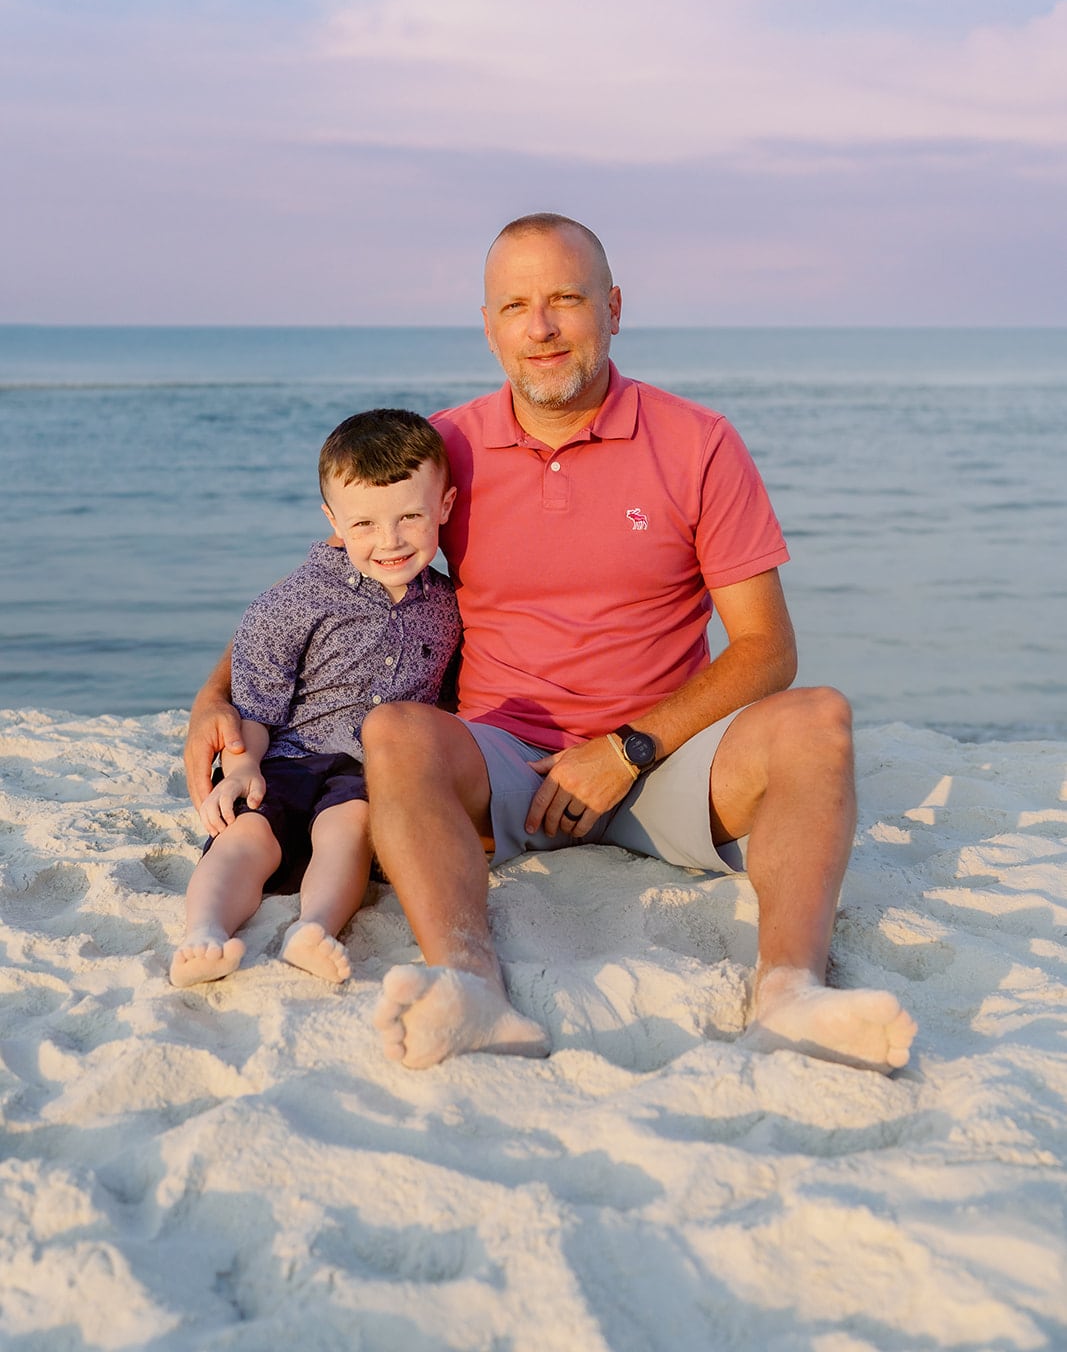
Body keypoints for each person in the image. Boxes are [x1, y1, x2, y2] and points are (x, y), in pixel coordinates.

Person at [185, 216, 916, 1075]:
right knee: (394, 732)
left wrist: (626, 747)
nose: (541, 328)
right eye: (516, 305)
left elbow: (766, 649)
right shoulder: (442, 447)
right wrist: (212, 701)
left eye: (565, 300)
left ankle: (792, 992)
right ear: (488, 324)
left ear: (610, 308)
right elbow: (324, 585)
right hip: (500, 761)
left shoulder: (698, 442)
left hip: (664, 757)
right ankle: (471, 989)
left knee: (817, 717)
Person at [171, 408, 461, 990]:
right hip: (287, 758)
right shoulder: (295, 601)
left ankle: (315, 928)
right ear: (333, 519)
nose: (391, 542)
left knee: (348, 828)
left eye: (411, 517)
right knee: (244, 836)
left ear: (445, 509)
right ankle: (203, 932)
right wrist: (241, 768)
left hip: (363, 774)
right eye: (365, 526)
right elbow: (256, 705)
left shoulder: (448, 605)